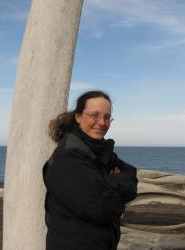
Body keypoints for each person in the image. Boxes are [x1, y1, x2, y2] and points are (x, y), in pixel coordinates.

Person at [43, 90, 138, 250]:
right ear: (78, 116)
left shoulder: (99, 151)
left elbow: (131, 175)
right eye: (95, 115)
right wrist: (113, 185)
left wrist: (106, 186)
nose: (102, 122)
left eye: (107, 117)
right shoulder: (68, 157)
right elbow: (102, 209)